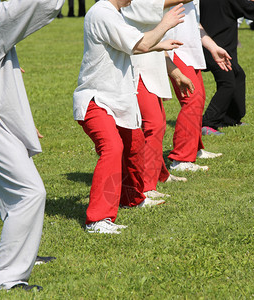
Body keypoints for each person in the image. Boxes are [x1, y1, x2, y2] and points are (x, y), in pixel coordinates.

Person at [0, 0, 64, 291]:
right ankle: (4, 278)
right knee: (29, 194)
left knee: (15, 197)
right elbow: (40, 4)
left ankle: (22, 255)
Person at [73, 0, 185, 234]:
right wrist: (165, 24)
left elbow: (132, 44)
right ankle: (97, 220)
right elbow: (140, 45)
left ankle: (131, 198)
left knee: (135, 143)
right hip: (96, 100)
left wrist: (158, 46)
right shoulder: (102, 13)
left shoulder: (113, 13)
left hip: (118, 99)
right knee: (112, 148)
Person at [121, 0, 194, 199]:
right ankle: (145, 186)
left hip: (150, 67)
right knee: (153, 125)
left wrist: (175, 73)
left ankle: (159, 174)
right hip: (136, 69)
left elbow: (155, 44)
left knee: (156, 124)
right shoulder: (132, 3)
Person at [163, 0, 232, 171]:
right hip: (172, 48)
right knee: (192, 100)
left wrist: (213, 47)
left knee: (198, 98)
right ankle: (181, 159)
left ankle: (194, 148)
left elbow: (194, 22)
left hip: (189, 50)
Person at [200, 0, 254, 134]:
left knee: (238, 75)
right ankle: (208, 123)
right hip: (217, 48)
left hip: (211, 43)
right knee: (228, 83)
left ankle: (230, 119)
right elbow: (251, 11)